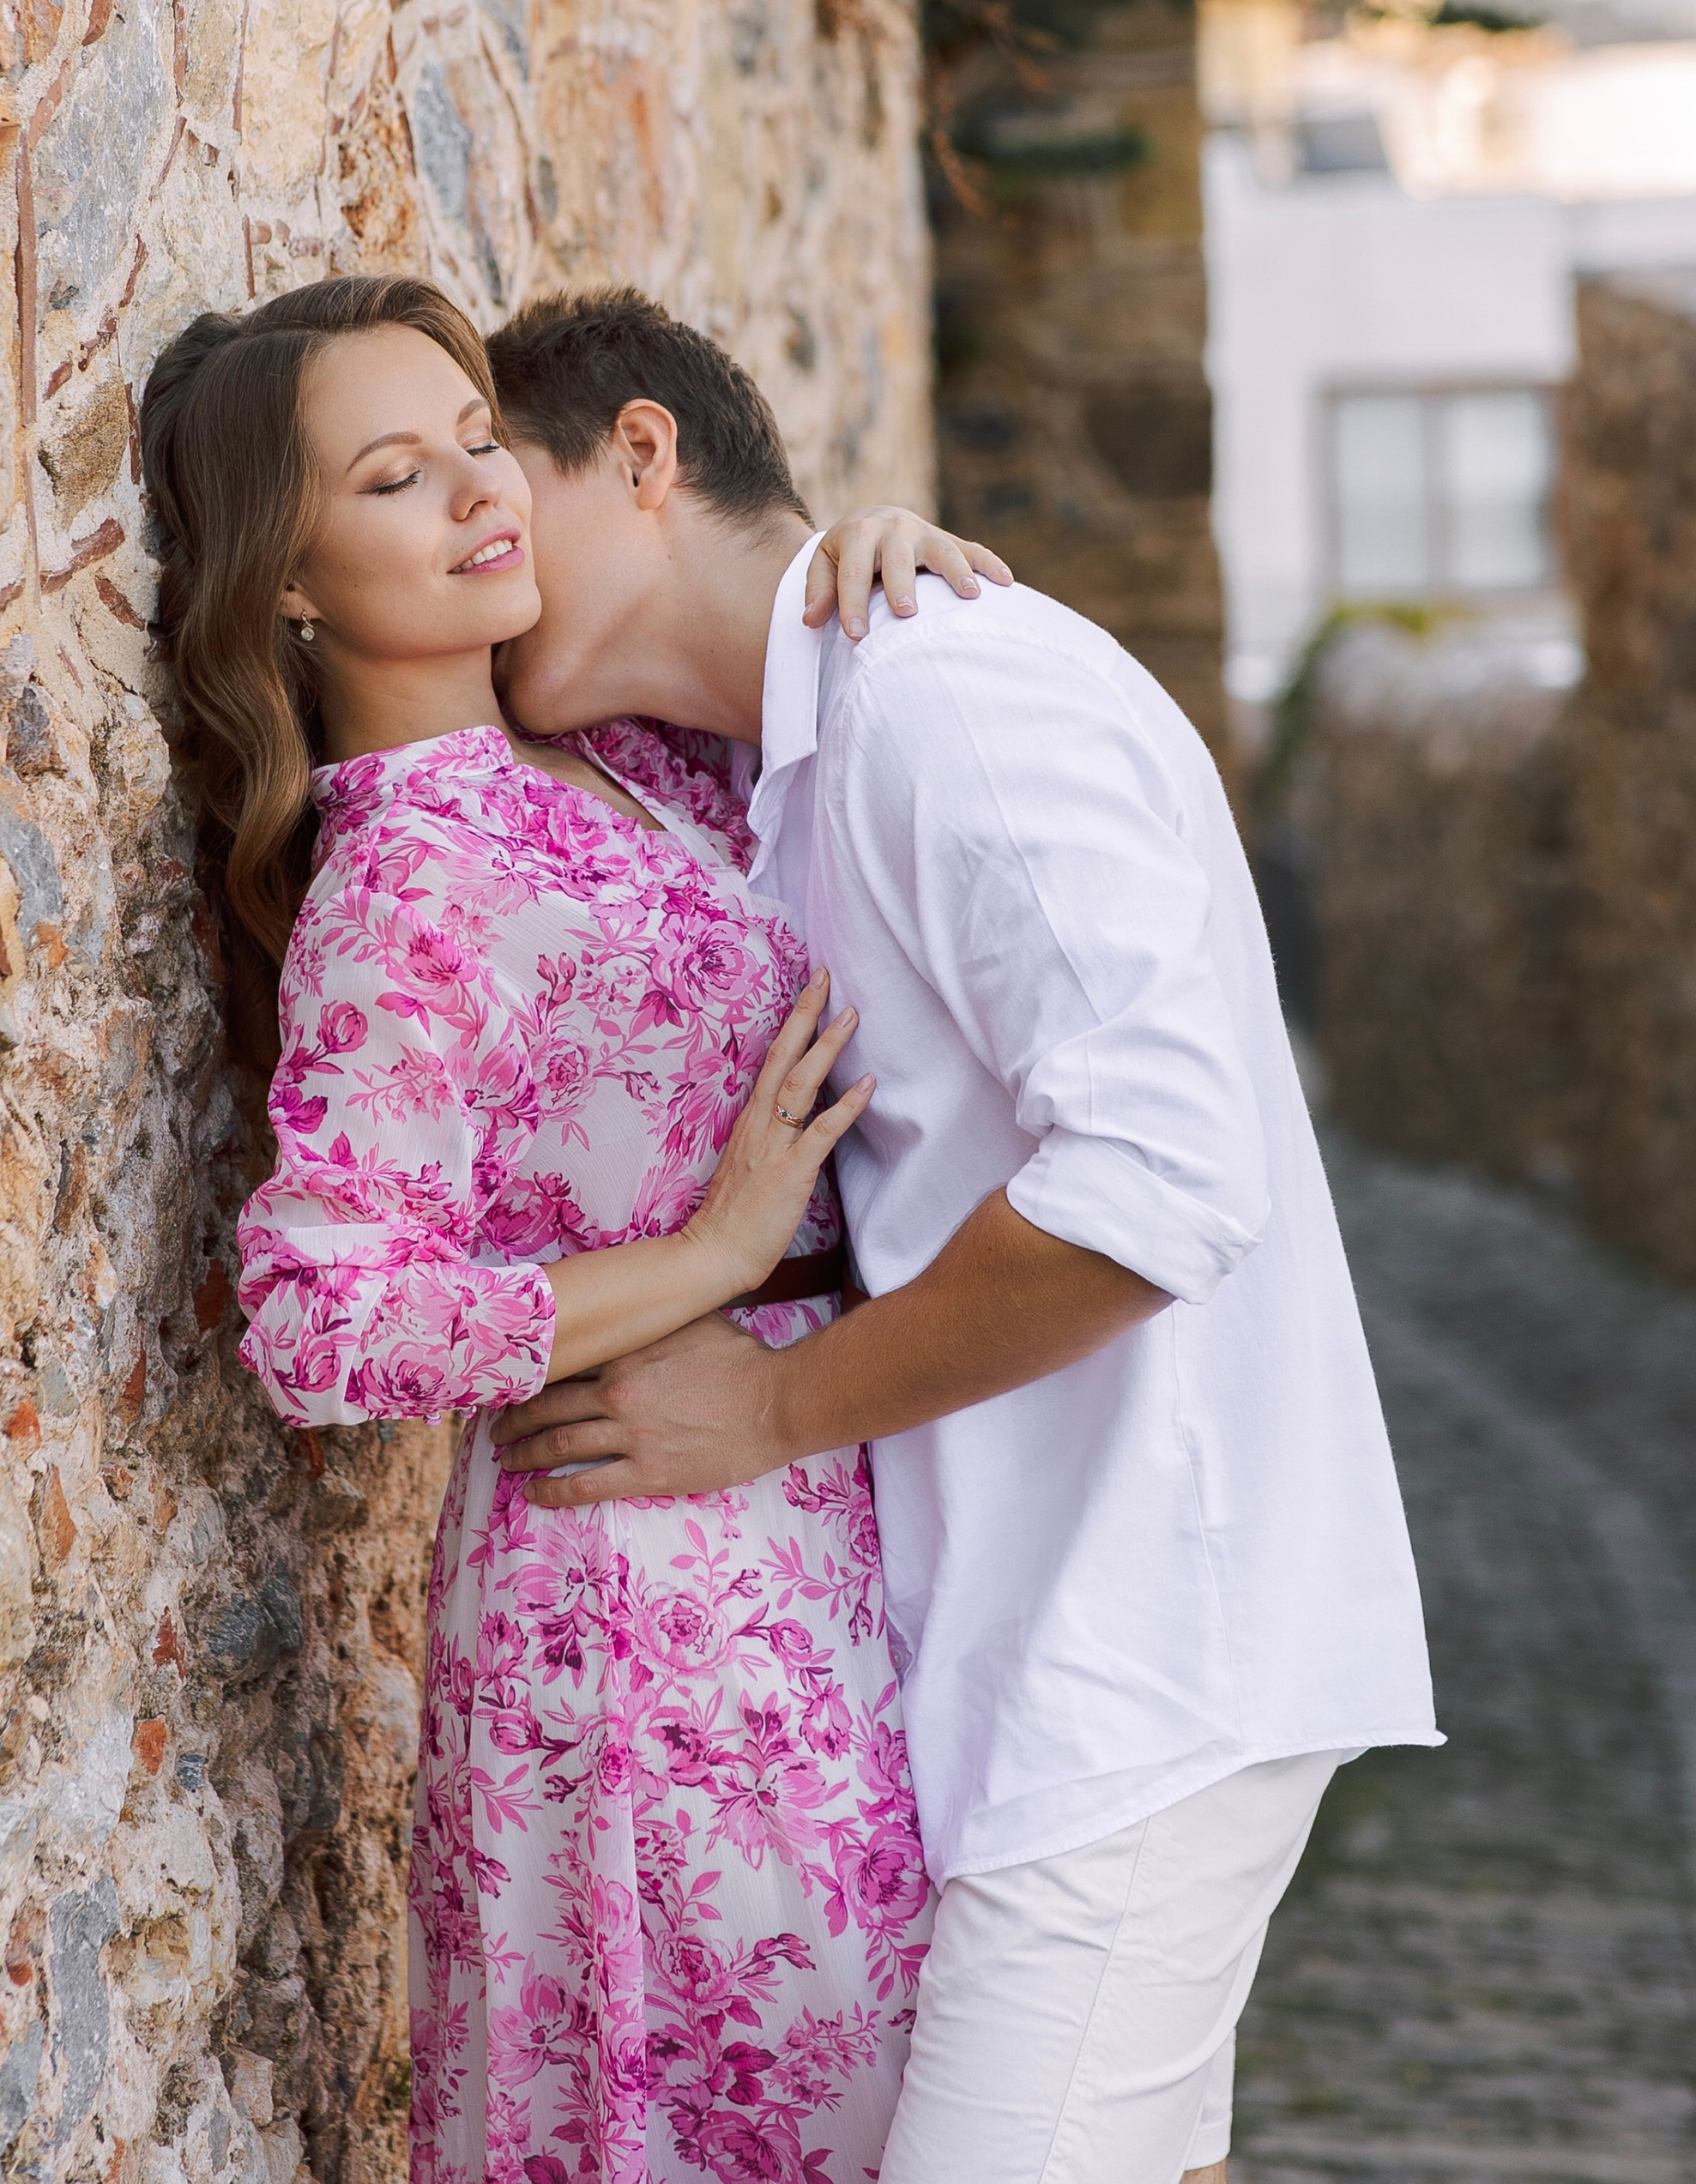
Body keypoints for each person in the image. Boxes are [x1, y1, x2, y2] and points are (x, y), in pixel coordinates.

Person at [486, 286, 1440, 2184]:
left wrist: (761, 1416)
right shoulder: (799, 758)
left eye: (497, 483)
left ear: (645, 452)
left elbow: (1163, 1181)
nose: (479, 553)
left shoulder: (949, 694)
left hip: (1141, 1650)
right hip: (1026, 1652)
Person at [138, 275, 999, 2184]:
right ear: (284, 580)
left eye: (471, 442)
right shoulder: (414, 865)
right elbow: (319, 1317)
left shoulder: (600, 752)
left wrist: (845, 558)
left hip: (807, 1508)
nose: (474, 493)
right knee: (781, 2101)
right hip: (638, 1589)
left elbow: (789, 745)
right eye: (392, 480)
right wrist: (706, 1261)